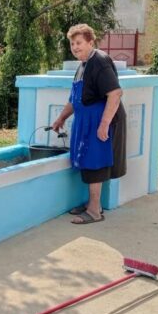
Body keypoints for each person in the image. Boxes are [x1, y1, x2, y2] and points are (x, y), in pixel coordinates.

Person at [51, 24, 127, 225]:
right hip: (86, 120)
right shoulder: (83, 64)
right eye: (72, 44)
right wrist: (61, 118)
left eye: (79, 43)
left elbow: (115, 93)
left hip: (100, 119)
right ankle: (92, 204)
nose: (75, 47)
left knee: (95, 161)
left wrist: (103, 124)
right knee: (86, 159)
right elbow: (75, 98)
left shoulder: (99, 61)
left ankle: (94, 211)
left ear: (90, 42)